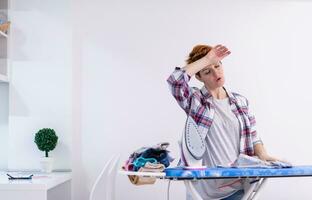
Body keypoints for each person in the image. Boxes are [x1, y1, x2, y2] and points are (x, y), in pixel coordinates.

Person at [167, 44, 279, 200]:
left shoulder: (241, 102)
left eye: (217, 66)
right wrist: (207, 59)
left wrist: (264, 155)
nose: (215, 72)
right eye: (207, 71)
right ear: (198, 77)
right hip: (203, 191)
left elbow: (253, 136)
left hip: (237, 189)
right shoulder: (196, 101)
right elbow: (175, 81)